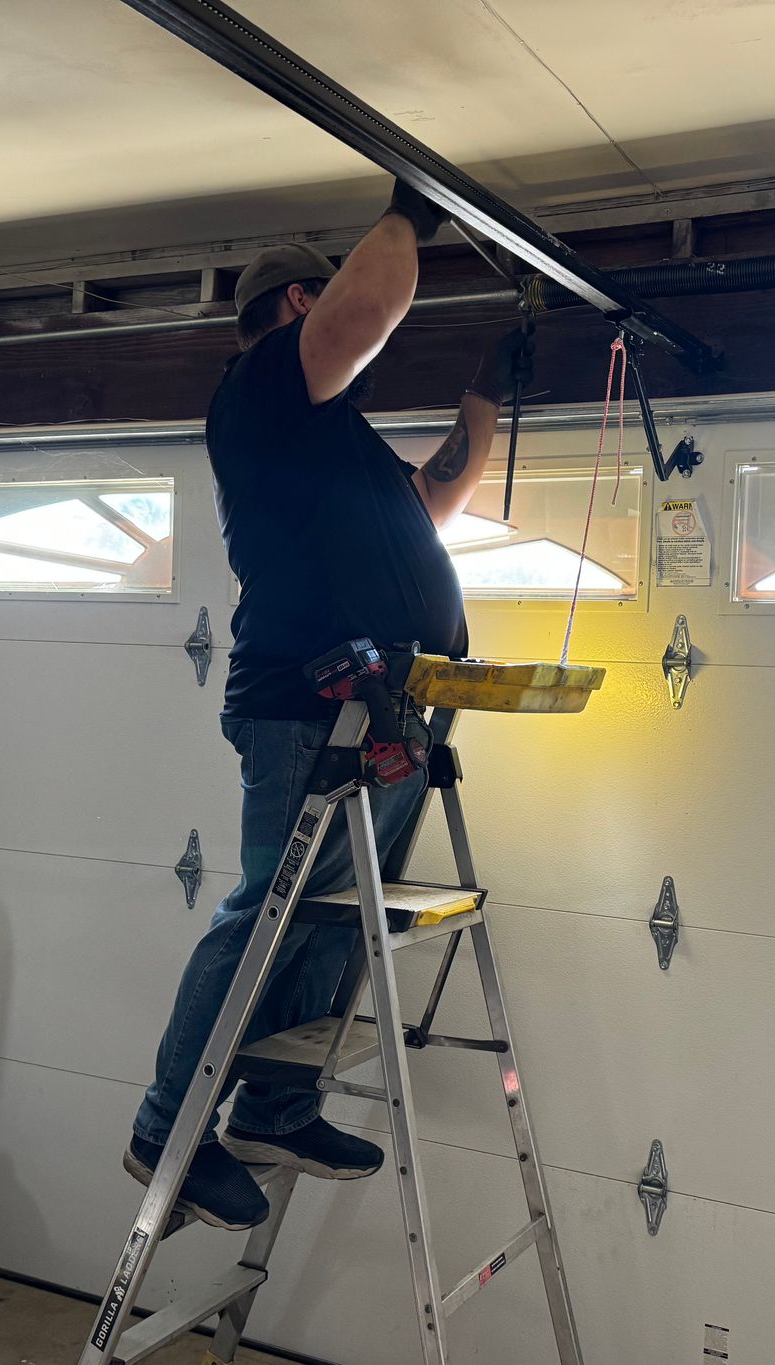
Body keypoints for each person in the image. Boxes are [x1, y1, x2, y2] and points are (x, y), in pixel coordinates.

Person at [127, 181, 533, 1230]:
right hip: (309, 705)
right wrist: (413, 211)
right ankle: (168, 1129)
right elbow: (366, 315)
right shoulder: (264, 389)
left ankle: (275, 1109)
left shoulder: (334, 444)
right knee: (271, 910)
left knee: (331, 921)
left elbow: (438, 497)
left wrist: (489, 391)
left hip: (387, 710)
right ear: (303, 303)